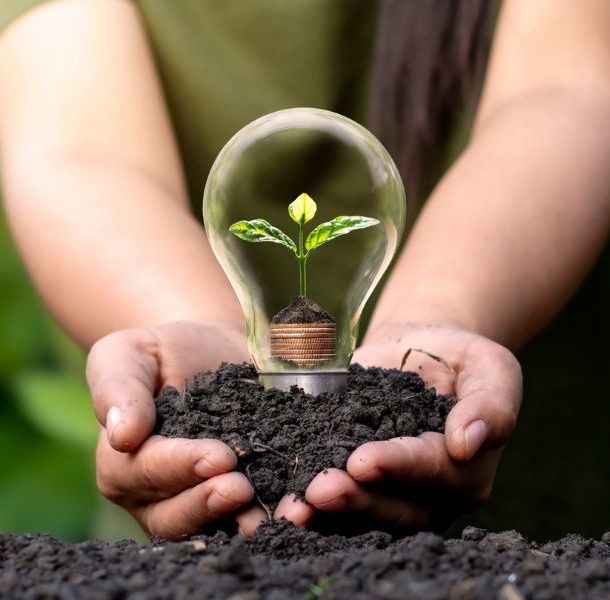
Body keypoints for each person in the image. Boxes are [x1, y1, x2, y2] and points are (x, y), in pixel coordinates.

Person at [0, 0, 609, 540]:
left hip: (540, 530)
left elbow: (566, 88)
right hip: (201, 560)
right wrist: (197, 327)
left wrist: (437, 314)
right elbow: (81, 147)